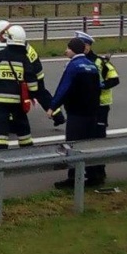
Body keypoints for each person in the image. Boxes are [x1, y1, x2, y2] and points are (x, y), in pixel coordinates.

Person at [48, 38, 102, 189]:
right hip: (92, 112)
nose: (66, 51)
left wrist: (53, 107)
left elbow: (64, 88)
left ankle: (73, 178)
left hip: (76, 112)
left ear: (74, 50)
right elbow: (99, 87)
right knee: (89, 144)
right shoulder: (92, 65)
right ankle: (93, 176)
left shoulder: (73, 66)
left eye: (68, 48)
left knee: (72, 145)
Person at [0, 19, 65, 126]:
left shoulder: (15, 43)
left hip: (33, 73)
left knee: (37, 95)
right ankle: (58, 116)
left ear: (4, 33)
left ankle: (58, 116)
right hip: (35, 71)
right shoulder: (18, 39)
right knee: (42, 95)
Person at [75, 31, 119, 184]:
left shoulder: (101, 62)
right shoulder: (77, 61)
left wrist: (101, 86)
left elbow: (115, 79)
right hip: (85, 106)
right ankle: (88, 171)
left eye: (82, 45)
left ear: (87, 46)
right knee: (86, 139)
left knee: (98, 139)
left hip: (100, 107)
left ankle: (99, 173)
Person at [0, 25, 38, 150]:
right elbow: (32, 82)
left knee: (1, 125)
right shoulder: (24, 59)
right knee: (22, 124)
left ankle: (0, 151)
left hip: (0, 100)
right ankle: (27, 150)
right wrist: (31, 94)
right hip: (18, 100)